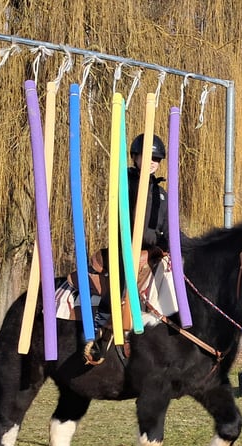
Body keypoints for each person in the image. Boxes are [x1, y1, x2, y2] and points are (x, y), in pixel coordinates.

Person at [83, 133, 170, 364]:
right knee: (121, 280)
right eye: (147, 156)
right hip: (126, 249)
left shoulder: (162, 195)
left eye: (156, 158)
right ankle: (98, 329)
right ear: (136, 157)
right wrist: (135, 251)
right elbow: (123, 220)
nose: (152, 161)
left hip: (153, 253)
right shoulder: (126, 183)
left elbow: (170, 231)